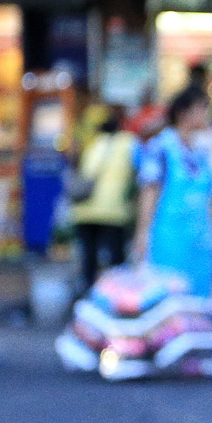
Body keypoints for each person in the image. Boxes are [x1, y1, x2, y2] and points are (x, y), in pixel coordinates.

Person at [132, 86, 212, 297]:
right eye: (201, 108)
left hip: (200, 243)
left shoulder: (200, 154)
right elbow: (149, 192)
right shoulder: (160, 147)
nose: (206, 114)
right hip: (169, 240)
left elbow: (210, 201)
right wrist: (142, 234)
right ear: (183, 113)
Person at [69, 104, 138, 289]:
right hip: (113, 211)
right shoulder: (129, 143)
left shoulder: (94, 144)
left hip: (85, 210)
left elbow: (85, 171)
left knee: (89, 258)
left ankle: (91, 295)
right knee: (116, 261)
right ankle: (117, 299)